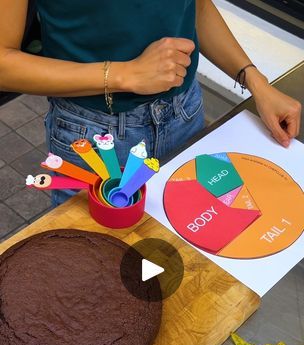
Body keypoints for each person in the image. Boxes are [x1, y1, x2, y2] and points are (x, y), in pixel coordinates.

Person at [0, 0, 301, 207]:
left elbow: (196, 7)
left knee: (200, 249)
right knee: (93, 270)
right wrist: (124, 74)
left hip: (185, 112)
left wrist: (256, 82)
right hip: (96, 135)